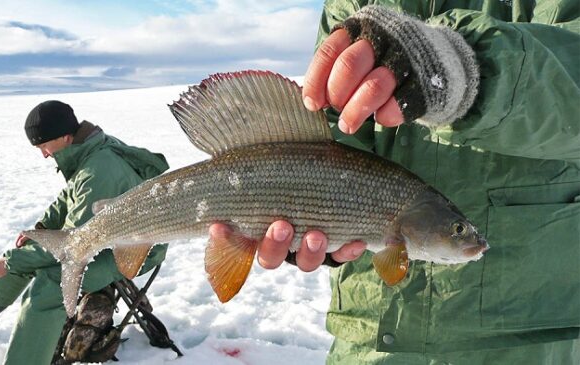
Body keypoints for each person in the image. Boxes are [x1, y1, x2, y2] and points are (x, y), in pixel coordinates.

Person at [211, 1, 580, 364]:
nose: (468, 236)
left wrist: (475, 70)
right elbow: (334, 128)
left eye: (459, 230)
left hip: (526, 333)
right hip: (372, 336)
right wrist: (306, 217)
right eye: (458, 229)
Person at [0, 100, 170, 365]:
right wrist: (42, 229)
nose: (44, 154)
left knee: (51, 285)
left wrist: (7, 262)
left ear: (65, 136)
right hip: (105, 237)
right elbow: (69, 198)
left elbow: (73, 245)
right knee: (32, 250)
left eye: (44, 146)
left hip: (133, 250)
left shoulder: (100, 171)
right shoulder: (87, 149)